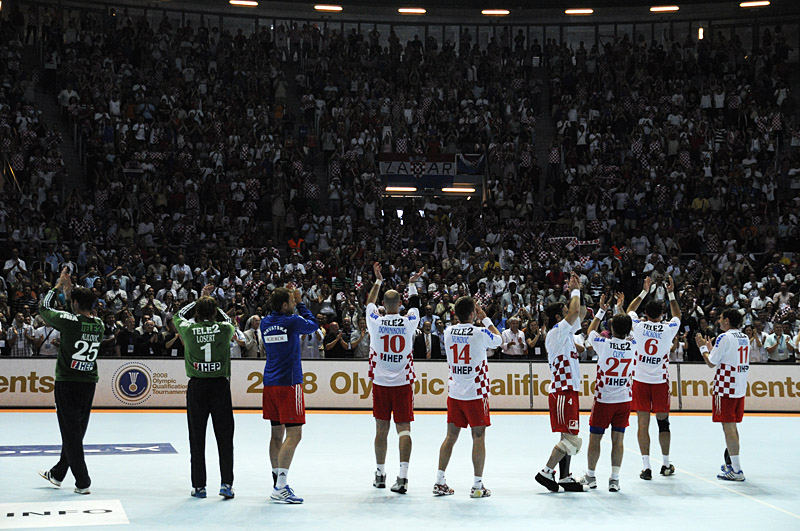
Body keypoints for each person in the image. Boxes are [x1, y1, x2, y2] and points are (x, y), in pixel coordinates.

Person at [37, 267, 103, 495]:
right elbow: (74, 320)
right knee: (76, 431)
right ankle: (58, 473)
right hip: (88, 383)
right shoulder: (99, 325)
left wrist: (57, 287)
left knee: (71, 432)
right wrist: (69, 292)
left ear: (75, 303)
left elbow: (44, 308)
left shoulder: (70, 321)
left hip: (68, 382)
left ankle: (83, 481)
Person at [434, 296, 501, 498]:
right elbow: (499, 341)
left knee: (450, 436)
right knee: (478, 436)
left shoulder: (447, 331)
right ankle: (478, 485)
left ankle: (439, 481)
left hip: (455, 392)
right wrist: (486, 319)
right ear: (473, 313)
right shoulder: (480, 332)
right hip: (476, 393)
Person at [173, 285, 236, 499]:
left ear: (197, 313)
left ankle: (199, 486)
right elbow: (228, 320)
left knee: (197, 438)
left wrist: (200, 299)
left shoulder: (189, 330)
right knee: (225, 438)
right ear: (215, 312)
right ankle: (226, 484)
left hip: (197, 387)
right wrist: (212, 304)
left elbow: (178, 315)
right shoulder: (225, 329)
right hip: (219, 386)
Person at [366, 263, 424, 493]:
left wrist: (378, 280)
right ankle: (403, 477)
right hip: (402, 384)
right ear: (400, 305)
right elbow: (417, 305)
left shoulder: (375, 321)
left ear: (383, 306)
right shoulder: (409, 321)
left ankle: (380, 474)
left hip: (381, 383)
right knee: (404, 429)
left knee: (381, 430)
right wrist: (411, 284)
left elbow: (369, 303)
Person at [261, 287, 319, 504]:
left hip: (270, 384)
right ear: (285, 305)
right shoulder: (293, 321)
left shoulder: (266, 323)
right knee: (294, 435)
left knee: (276, 434)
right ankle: (281, 486)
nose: (294, 304)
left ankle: (277, 479)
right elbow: (313, 324)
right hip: (289, 384)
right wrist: (302, 302)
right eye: (291, 302)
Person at [535, 272, 588, 493]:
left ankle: (565, 477)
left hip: (570, 390)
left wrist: (579, 291)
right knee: (572, 440)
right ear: (558, 318)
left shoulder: (566, 333)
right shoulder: (556, 332)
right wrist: (573, 290)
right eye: (565, 313)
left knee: (567, 437)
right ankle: (546, 472)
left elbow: (580, 312)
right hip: (562, 390)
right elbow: (576, 312)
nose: (570, 316)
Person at [626, 276, 681, 480]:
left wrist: (644, 290)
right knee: (663, 423)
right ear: (662, 314)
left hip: (640, 379)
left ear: (645, 314)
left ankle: (646, 467)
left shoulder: (638, 327)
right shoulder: (668, 328)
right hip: (660, 381)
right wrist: (671, 293)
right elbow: (678, 315)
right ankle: (666, 464)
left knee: (642, 423)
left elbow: (629, 310)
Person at [580, 294, 635, 492]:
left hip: (604, 399)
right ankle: (614, 479)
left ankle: (591, 476)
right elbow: (630, 329)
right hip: (624, 399)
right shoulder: (634, 345)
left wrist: (602, 310)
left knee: (595, 437)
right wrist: (621, 308)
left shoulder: (603, 344)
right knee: (618, 439)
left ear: (611, 329)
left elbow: (590, 330)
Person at [695, 309, 750, 481]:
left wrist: (702, 347)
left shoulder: (724, 337)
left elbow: (711, 363)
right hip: (739, 386)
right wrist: (712, 350)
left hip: (725, 388)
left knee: (728, 428)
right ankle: (733, 464)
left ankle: (737, 470)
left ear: (727, 320)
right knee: (733, 426)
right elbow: (725, 357)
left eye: (720, 318)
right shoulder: (745, 337)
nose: (718, 321)